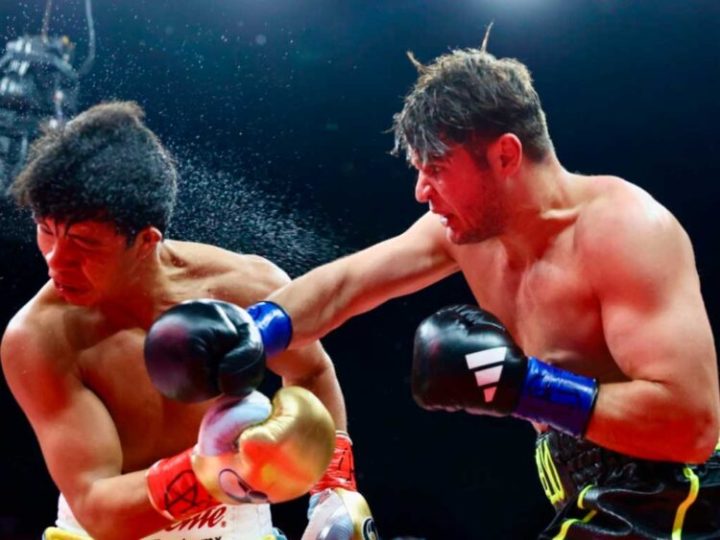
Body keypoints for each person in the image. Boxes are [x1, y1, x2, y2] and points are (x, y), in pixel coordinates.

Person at [161, 29, 720, 538]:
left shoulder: (624, 231)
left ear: (505, 155)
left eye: (436, 168)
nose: (422, 191)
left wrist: (525, 388)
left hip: (680, 499)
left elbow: (693, 426)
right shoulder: (466, 235)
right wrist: (255, 333)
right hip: (589, 499)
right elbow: (345, 285)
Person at [0, 101, 375, 540]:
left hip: (239, 528)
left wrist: (332, 487)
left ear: (146, 240)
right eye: (46, 229)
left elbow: (310, 369)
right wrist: (215, 471)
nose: (55, 261)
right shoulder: (40, 336)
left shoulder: (243, 287)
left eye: (83, 242)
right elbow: (96, 503)